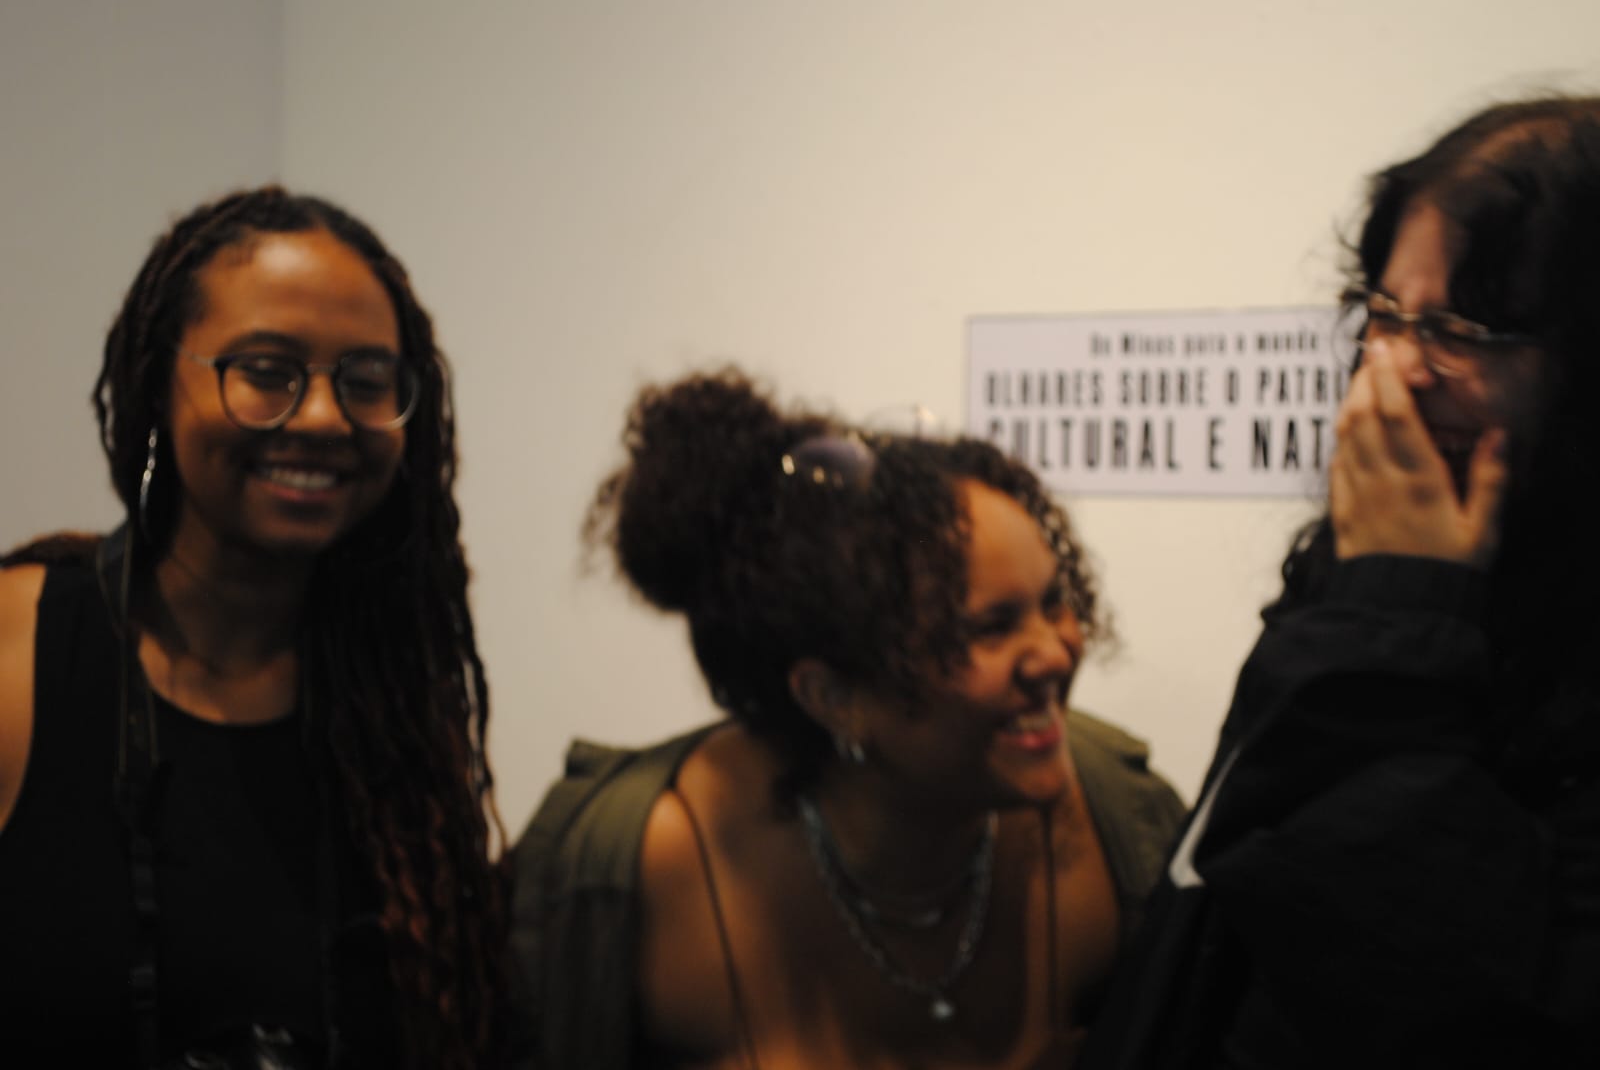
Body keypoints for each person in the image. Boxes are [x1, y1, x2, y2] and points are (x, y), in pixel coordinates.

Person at [1080, 96, 1600, 1069]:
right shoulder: (1357, 567)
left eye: (1460, 327)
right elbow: (1234, 889)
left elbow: (1437, 998)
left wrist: (1400, 607)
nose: (1394, 369)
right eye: (1385, 315)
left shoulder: (1401, 587)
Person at [509, 369, 1185, 1069]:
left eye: (1053, 601)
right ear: (833, 697)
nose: (1056, 652)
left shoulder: (1122, 828)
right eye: (990, 627)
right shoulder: (632, 874)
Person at [0, 187, 507, 1068]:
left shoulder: (392, 713)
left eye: (366, 381)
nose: (322, 417)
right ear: (160, 384)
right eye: (268, 371)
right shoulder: (21, 652)